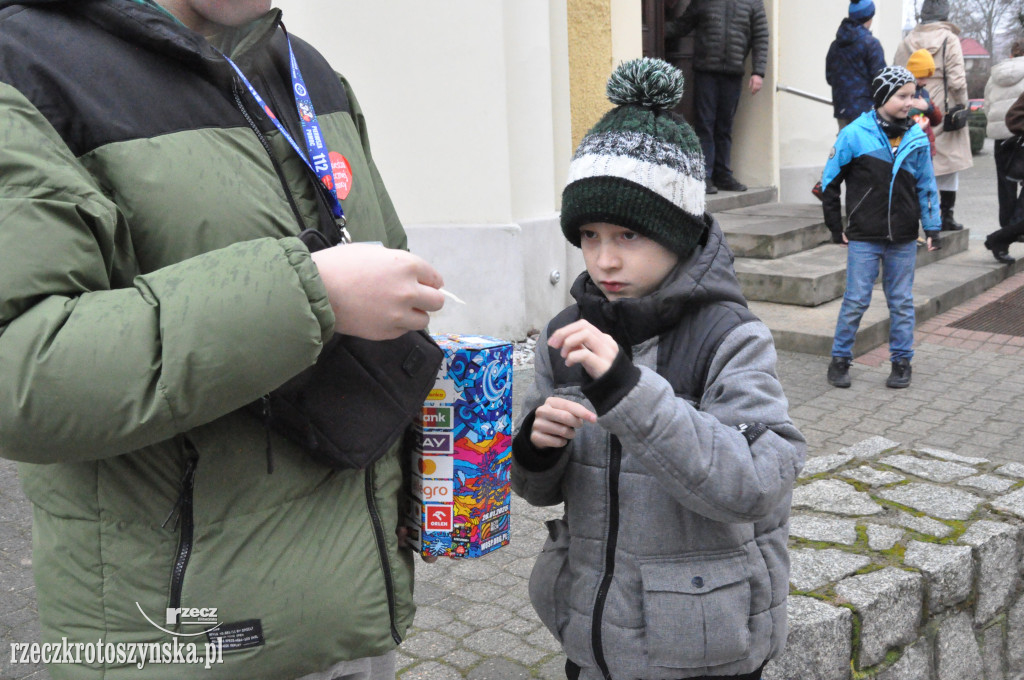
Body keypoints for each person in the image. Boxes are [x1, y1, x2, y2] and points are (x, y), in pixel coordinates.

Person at [0, 1, 445, 679]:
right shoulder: (25, 65)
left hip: (353, 626)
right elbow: (22, 374)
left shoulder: (308, 72)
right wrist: (308, 294)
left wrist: (422, 472)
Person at [511, 58, 805, 680]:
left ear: (676, 232)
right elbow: (538, 492)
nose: (604, 258)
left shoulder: (730, 335)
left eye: (627, 235)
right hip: (591, 635)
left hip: (704, 645)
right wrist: (537, 448)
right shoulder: (567, 333)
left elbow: (754, 486)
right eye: (588, 235)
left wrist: (628, 392)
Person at [821, 67, 941, 390]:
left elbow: (927, 186)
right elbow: (829, 182)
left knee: (901, 301)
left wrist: (932, 227)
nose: (910, 102)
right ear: (882, 96)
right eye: (902, 96)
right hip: (863, 236)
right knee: (856, 299)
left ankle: (901, 362)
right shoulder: (854, 134)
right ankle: (840, 359)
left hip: (903, 236)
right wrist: (836, 225)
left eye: (912, 95)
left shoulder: (916, 136)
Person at [665, 0, 769, 194]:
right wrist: (651, 30)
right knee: (705, 125)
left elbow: (761, 36)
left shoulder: (753, 2)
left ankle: (723, 175)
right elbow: (683, 25)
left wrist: (758, 72)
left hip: (733, 73)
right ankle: (705, 175)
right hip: (706, 72)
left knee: (725, 127)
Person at [895, 0, 972, 232]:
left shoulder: (907, 41)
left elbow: (896, 73)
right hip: (944, 106)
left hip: (913, 102)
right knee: (949, 163)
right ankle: (946, 216)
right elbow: (957, 80)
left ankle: (918, 215)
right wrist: (963, 105)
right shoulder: (949, 39)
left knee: (918, 161)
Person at [983, 38, 1024, 263]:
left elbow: (988, 104)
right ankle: (1009, 233)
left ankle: (1004, 237)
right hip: (1020, 135)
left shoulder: (995, 74)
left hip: (1001, 136)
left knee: (1005, 187)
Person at [825, 0, 886, 130]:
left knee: (846, 147)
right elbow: (881, 80)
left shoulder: (835, 45)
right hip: (865, 111)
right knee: (866, 149)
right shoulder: (871, 44)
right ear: (869, 17)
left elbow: (830, 76)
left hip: (841, 108)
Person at [906, 49, 943, 157]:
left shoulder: (924, 93)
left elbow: (937, 119)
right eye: (921, 78)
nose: (925, 82)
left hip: (925, 144)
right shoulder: (903, 93)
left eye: (926, 78)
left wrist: (927, 107)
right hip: (910, 144)